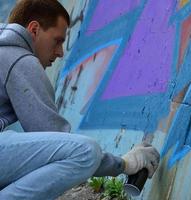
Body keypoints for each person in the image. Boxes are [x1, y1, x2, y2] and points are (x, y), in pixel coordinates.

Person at [0, 0, 160, 199]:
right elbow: (59, 141)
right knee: (86, 151)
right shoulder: (20, 61)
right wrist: (125, 164)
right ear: (34, 30)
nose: (60, 52)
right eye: (57, 40)